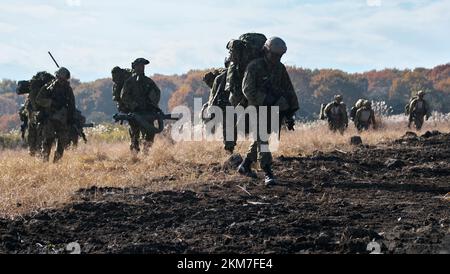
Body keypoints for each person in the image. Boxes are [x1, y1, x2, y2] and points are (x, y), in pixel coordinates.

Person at [238, 37, 299, 186]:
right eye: (275, 55)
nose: (277, 58)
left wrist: (290, 112)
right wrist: (267, 99)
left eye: (280, 56)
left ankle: (245, 165)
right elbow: (247, 90)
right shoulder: (254, 67)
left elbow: (288, 89)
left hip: (272, 111)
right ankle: (267, 171)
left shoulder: (280, 68)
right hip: (255, 109)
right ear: (266, 51)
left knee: (261, 139)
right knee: (263, 140)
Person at [120, 58, 161, 153]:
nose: (141, 68)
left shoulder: (148, 81)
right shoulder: (129, 82)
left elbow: (157, 93)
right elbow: (124, 96)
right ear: (134, 67)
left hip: (147, 112)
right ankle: (134, 156)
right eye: (139, 66)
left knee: (150, 133)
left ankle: (146, 152)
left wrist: (153, 105)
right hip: (135, 113)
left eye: (143, 66)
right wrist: (134, 106)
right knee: (135, 135)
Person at [36, 67, 76, 162]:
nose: (62, 80)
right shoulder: (48, 87)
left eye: (64, 79)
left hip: (62, 119)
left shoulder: (68, 90)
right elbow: (39, 99)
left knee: (61, 142)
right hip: (50, 118)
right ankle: (44, 161)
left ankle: (57, 162)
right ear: (57, 76)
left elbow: (72, 105)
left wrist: (71, 117)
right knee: (48, 140)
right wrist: (51, 103)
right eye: (61, 78)